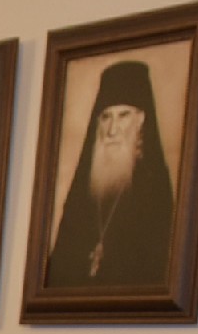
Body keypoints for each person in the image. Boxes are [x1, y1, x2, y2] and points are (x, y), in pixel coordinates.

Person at [44, 59, 175, 288]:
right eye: (106, 117)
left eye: (123, 115)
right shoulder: (84, 188)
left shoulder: (155, 188)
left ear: (141, 119)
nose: (112, 130)